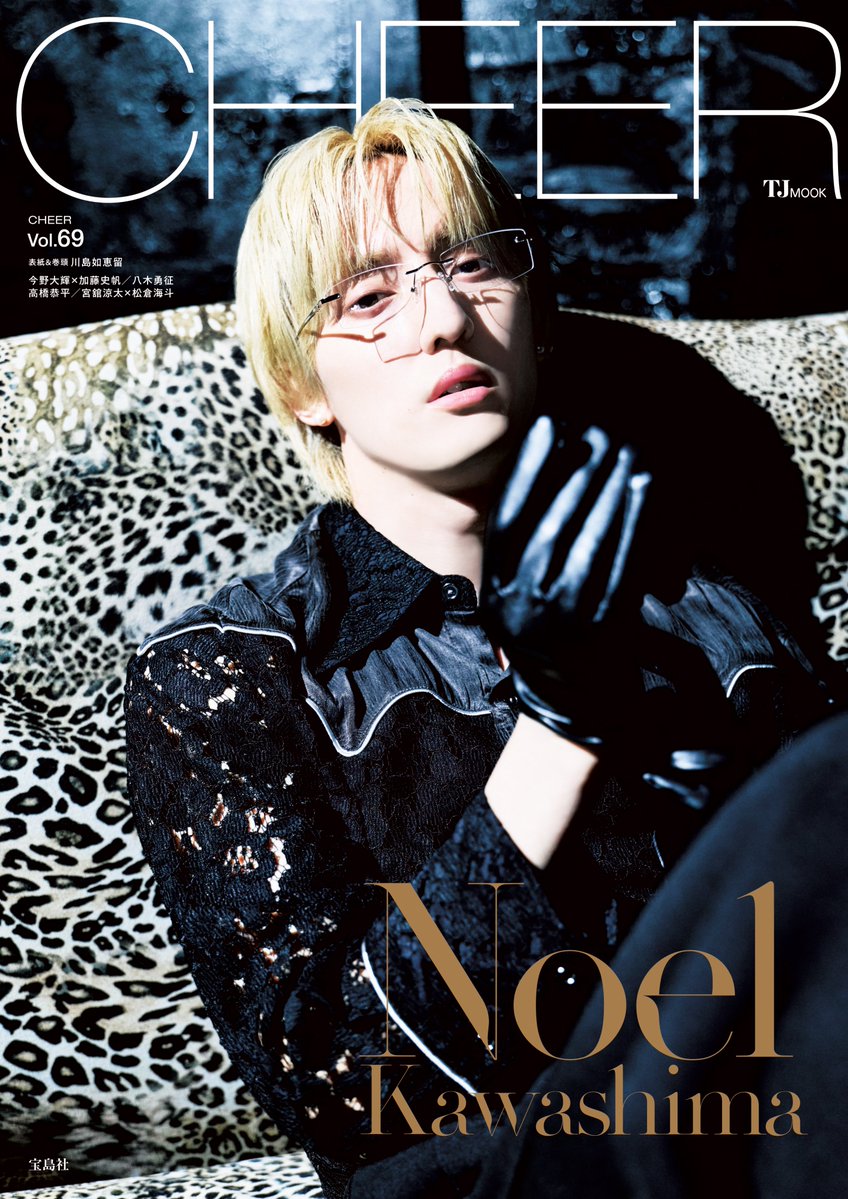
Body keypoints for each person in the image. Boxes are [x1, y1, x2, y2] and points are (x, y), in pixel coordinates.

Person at [124, 99, 834, 1199]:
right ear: (303, 385)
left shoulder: (714, 612)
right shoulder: (228, 675)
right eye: (369, 296)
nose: (444, 317)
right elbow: (344, 1088)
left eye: (472, 265)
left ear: (532, 318)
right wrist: (556, 727)